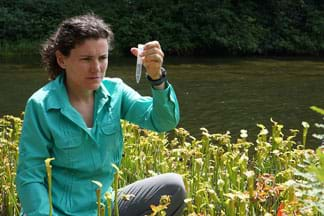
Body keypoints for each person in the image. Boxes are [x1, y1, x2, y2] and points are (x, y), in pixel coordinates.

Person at [16, 14, 185, 216]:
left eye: (102, 58)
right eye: (86, 59)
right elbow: (30, 177)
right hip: (57, 212)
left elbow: (163, 121)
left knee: (174, 186)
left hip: (104, 207)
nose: (96, 68)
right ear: (62, 59)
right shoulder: (41, 105)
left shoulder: (116, 91)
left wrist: (157, 78)